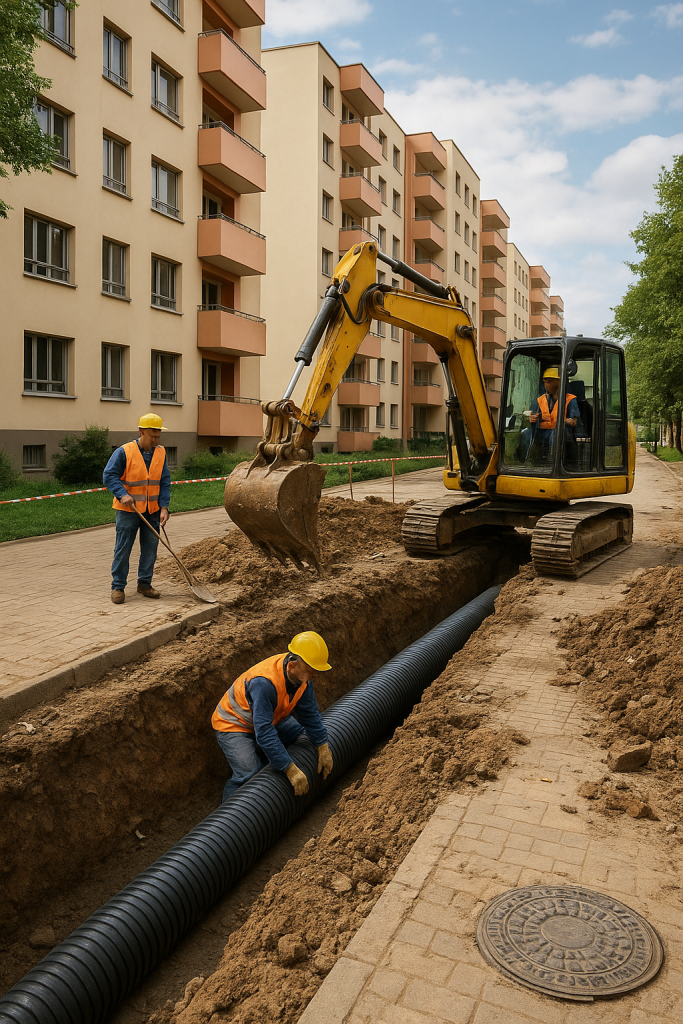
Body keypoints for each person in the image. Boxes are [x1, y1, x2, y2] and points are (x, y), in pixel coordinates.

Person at [212, 631, 334, 802]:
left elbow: (309, 714)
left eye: (315, 672)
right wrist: (290, 770)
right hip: (234, 725)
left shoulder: (303, 678)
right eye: (311, 671)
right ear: (292, 665)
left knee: (302, 737)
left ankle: (264, 754)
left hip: (271, 718)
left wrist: (322, 745)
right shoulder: (264, 683)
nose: (314, 676)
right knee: (250, 774)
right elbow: (264, 732)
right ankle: (226, 820)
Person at [103, 413, 171, 604]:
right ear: (141, 432)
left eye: (158, 436)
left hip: (152, 511)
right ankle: (118, 587)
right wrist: (122, 493)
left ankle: (144, 584)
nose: (156, 440)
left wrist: (164, 507)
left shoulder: (161, 452)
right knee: (123, 549)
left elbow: (164, 481)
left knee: (150, 549)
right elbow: (109, 475)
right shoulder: (124, 452)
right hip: (128, 511)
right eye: (152, 436)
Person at [519, 367, 581, 461]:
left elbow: (574, 422)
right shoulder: (540, 399)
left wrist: (565, 420)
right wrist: (532, 419)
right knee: (525, 433)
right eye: (544, 382)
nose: (545, 385)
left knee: (555, 433)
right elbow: (533, 415)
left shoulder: (570, 399)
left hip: (561, 433)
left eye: (549, 382)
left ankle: (554, 461)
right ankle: (524, 460)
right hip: (542, 432)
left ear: (558, 383)